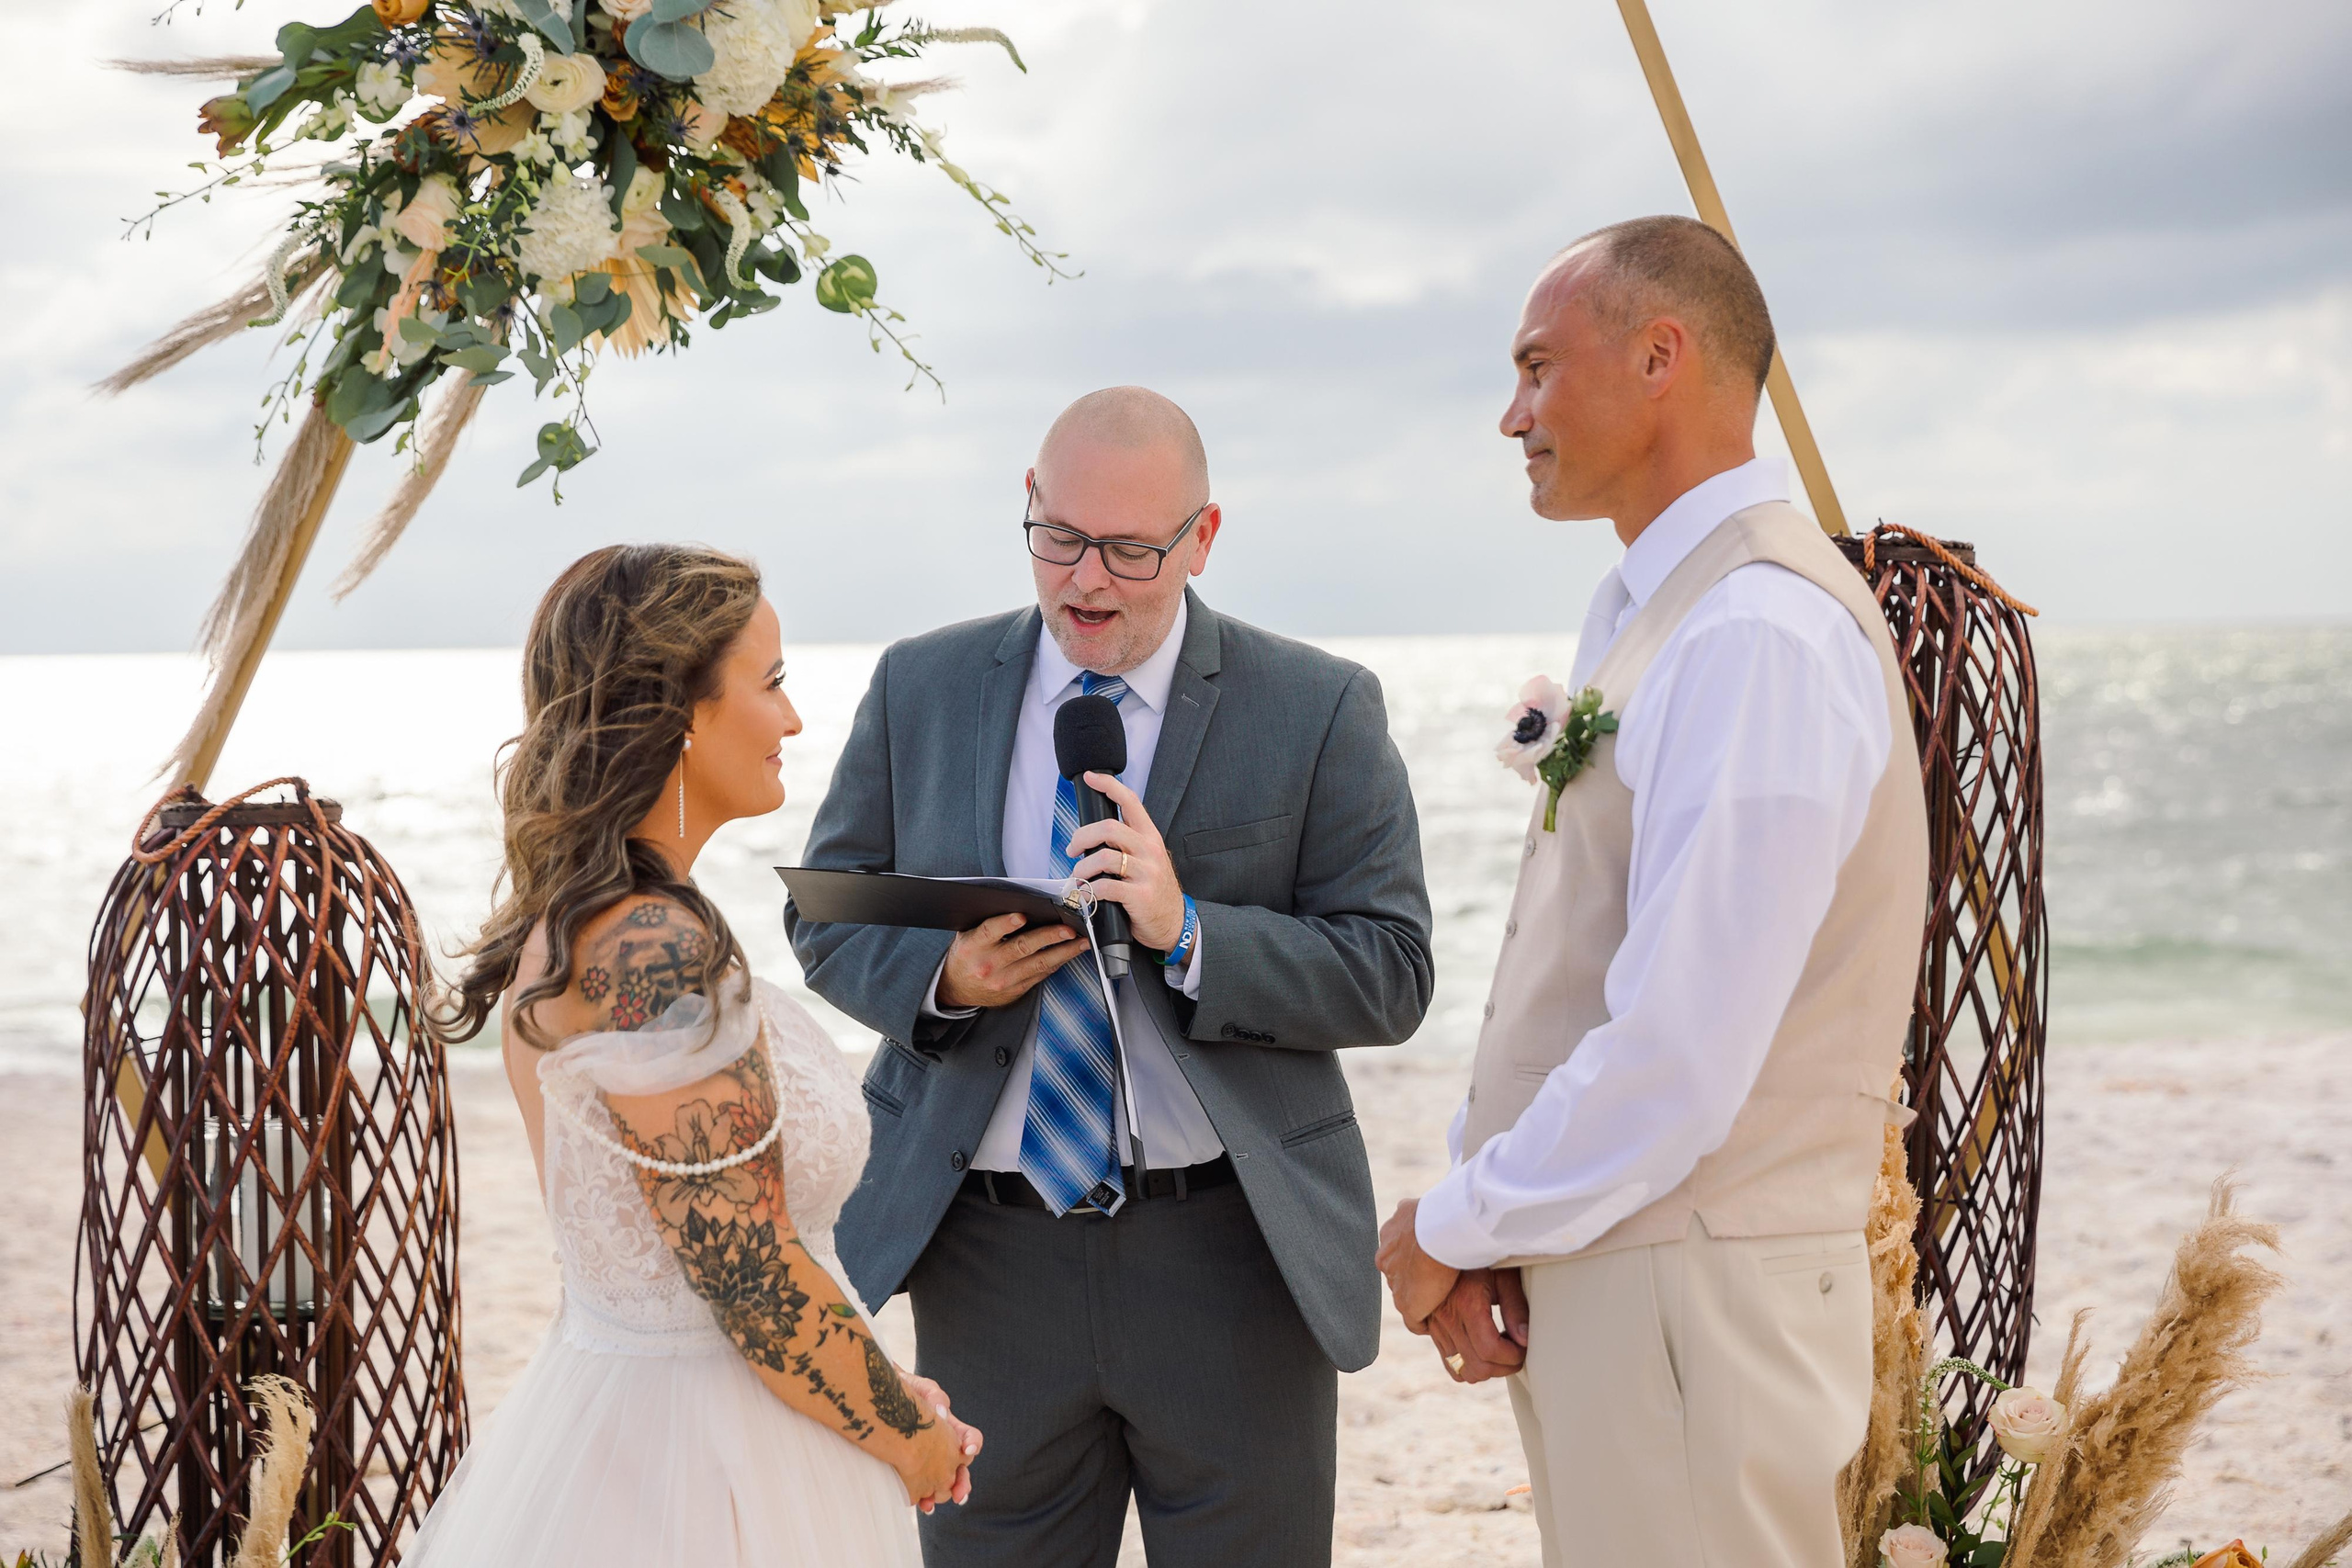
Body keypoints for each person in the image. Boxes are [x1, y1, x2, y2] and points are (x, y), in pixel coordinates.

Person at [787, 387, 1434, 1568]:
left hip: (1234, 1254)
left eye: (1131, 551)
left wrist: (1190, 930)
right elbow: (826, 911)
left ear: (1203, 537)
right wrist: (947, 981)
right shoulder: (920, 685)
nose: (1086, 581)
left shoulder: (1319, 705)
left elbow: (1391, 971)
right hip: (986, 1257)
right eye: (1059, 538)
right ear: (1029, 503)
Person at [1374, 216, 1929, 1565]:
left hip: (1698, 1298)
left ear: (1660, 356)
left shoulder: (1756, 632)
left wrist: (1454, 1220)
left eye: (1537, 368)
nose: (1512, 417)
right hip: (1632, 1280)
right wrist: (1498, 1211)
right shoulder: (1659, 608)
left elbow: (1681, 1051)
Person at [413, 545, 979, 1566]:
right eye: (771, 683)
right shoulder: (648, 946)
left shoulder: (599, 920)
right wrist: (914, 1441)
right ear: (680, 710)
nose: (792, 720)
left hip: (676, 1417)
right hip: (700, 1460)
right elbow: (749, 1274)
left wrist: (885, 1389)